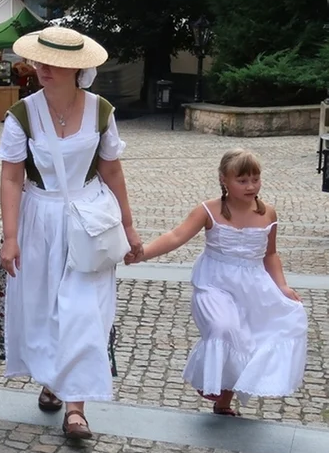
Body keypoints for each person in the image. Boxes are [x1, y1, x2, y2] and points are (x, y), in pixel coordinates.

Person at [0, 25, 141, 441]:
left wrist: (129, 226)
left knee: (84, 311)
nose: (43, 67)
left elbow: (112, 168)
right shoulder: (22, 114)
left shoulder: (101, 111)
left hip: (89, 219)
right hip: (40, 217)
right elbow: (10, 178)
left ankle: (76, 406)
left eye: (54, 62)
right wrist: (10, 236)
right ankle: (52, 378)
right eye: (41, 60)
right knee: (44, 308)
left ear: (76, 69)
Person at [131, 149, 307, 416]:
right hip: (214, 283)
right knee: (222, 327)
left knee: (248, 338)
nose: (251, 186)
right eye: (242, 180)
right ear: (224, 179)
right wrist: (143, 253)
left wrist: (282, 286)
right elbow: (176, 236)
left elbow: (270, 254)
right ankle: (210, 383)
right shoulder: (208, 210)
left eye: (255, 179)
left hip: (253, 286)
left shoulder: (268, 213)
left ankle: (224, 401)